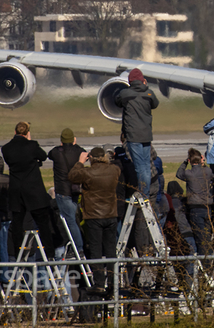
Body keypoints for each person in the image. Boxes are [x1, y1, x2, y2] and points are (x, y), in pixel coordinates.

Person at [68, 147, 121, 293]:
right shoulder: (114, 170)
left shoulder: (87, 172)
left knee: (96, 250)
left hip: (93, 216)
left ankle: (99, 283)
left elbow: (72, 176)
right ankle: (112, 282)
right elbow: (117, 169)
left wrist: (80, 162)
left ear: (91, 158)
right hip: (111, 214)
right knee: (111, 250)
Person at [1, 122, 54, 256]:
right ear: (27, 133)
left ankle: (18, 250)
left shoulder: (6, 148)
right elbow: (43, 156)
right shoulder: (32, 145)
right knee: (43, 223)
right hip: (33, 189)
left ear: (15, 132)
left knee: (17, 222)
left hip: (17, 189)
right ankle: (49, 252)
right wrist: (30, 143)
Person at [115, 68, 160, 196]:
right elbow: (155, 104)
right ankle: (146, 191)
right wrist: (146, 87)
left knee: (140, 167)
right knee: (146, 165)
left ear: (130, 81)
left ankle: (144, 192)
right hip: (146, 135)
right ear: (142, 80)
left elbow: (117, 101)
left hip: (133, 135)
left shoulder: (125, 93)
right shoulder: (149, 93)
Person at [47, 128, 87, 254]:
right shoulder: (79, 151)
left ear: (61, 141)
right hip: (75, 190)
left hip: (62, 191)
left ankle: (79, 247)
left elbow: (49, 154)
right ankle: (77, 243)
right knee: (73, 218)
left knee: (69, 220)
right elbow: (84, 153)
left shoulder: (56, 152)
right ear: (74, 140)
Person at [176, 148, 214, 256]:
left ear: (189, 160)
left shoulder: (189, 173)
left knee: (200, 237)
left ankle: (205, 263)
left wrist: (185, 162)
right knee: (207, 235)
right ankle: (210, 259)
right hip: (207, 207)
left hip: (195, 208)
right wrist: (203, 164)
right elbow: (211, 175)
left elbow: (179, 174)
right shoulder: (207, 171)